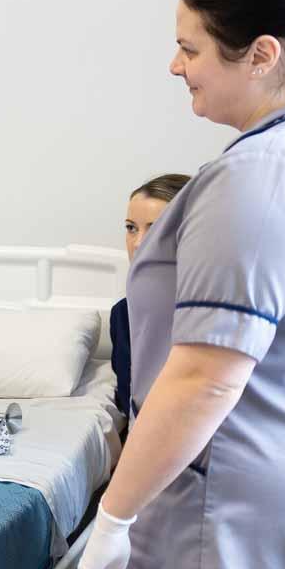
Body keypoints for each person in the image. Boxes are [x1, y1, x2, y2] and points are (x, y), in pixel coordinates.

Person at [78, 0, 285, 569]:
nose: (176, 66)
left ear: (260, 55)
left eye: (190, 48)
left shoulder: (257, 175)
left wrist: (114, 514)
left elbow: (205, 375)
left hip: (223, 533)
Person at [110, 174, 189, 416]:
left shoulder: (217, 310)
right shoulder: (123, 314)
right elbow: (130, 398)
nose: (138, 243)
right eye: (131, 228)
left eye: (156, 229)